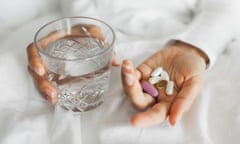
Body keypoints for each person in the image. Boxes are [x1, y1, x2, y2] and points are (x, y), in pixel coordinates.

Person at [27, 0, 240, 128]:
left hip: (189, 34)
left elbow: (226, 6)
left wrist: (194, 48)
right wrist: (84, 23)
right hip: (104, 42)